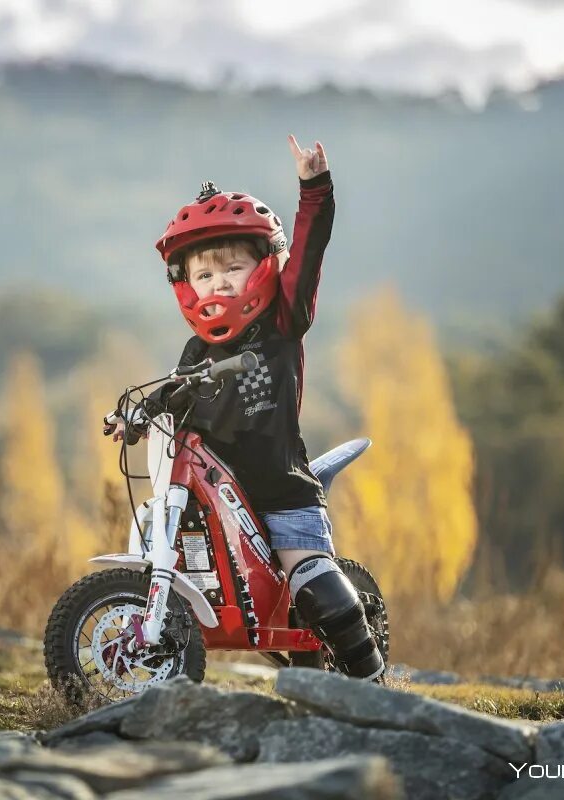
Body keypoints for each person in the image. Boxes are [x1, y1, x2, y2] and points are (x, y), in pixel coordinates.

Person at [113, 135, 384, 681]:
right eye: (204, 275)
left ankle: (370, 673)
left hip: (278, 491)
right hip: (210, 491)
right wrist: (134, 416)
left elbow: (309, 252)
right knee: (151, 533)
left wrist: (314, 190)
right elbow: (169, 391)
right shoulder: (197, 350)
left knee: (310, 578)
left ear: (264, 267)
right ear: (184, 286)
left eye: (231, 269)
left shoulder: (283, 321)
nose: (218, 283)